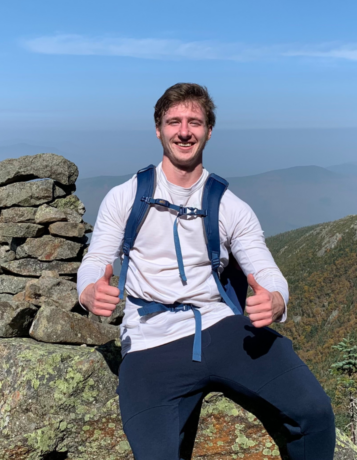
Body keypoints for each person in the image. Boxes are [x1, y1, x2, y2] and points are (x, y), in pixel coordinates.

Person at [77, 83, 336, 460]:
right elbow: (94, 260)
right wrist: (88, 293)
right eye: (174, 121)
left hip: (221, 327)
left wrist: (277, 301)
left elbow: (266, 270)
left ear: (209, 131)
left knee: (315, 414)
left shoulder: (230, 206)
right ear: (158, 129)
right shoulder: (125, 197)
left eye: (194, 122)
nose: (184, 131)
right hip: (151, 340)